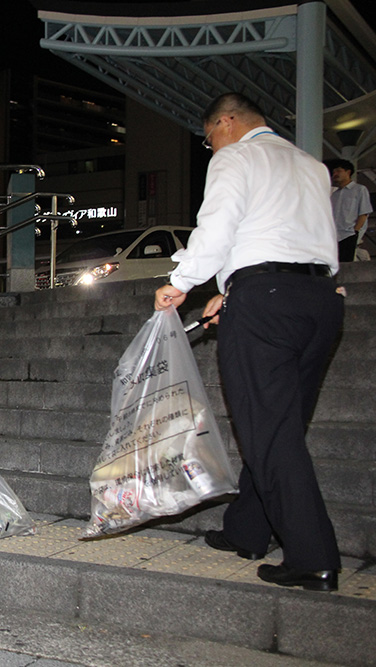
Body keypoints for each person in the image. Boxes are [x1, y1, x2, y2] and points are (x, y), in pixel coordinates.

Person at [154, 92, 342, 592]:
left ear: (227, 123)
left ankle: (313, 556)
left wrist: (183, 282)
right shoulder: (310, 165)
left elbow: (218, 224)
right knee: (282, 424)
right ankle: (249, 530)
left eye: (209, 136)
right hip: (321, 299)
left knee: (268, 430)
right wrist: (227, 292)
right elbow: (288, 234)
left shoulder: (236, 156)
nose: (210, 147)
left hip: (267, 304)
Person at [326, 158, 372, 262]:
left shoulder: (359, 190)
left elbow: (364, 213)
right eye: (333, 172)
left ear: (348, 172)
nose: (335, 174)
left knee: (347, 265)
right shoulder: (334, 195)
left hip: (349, 235)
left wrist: (356, 231)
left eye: (338, 171)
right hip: (334, 236)